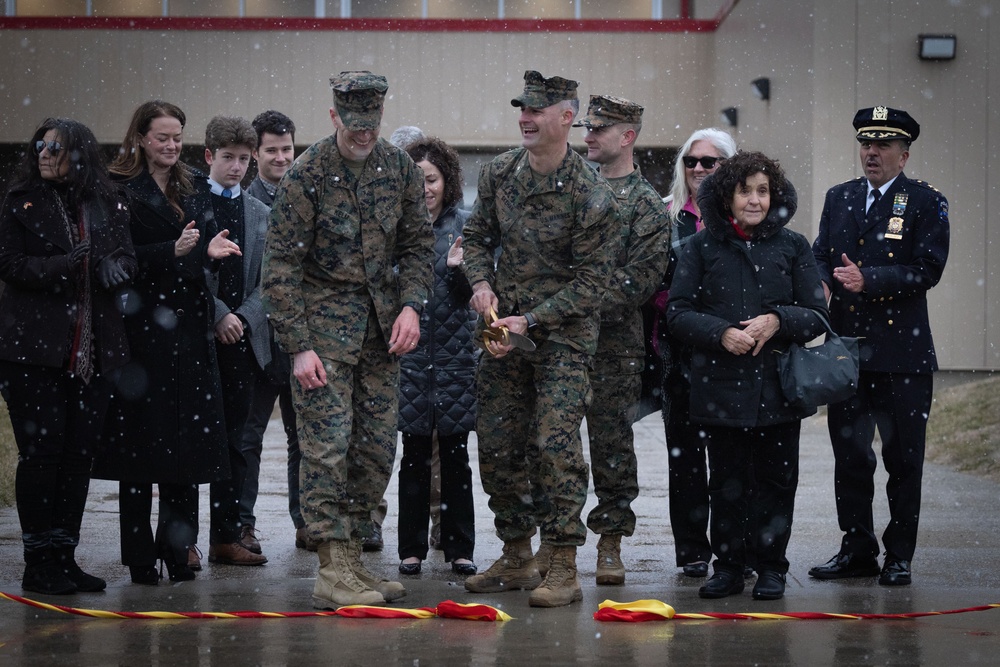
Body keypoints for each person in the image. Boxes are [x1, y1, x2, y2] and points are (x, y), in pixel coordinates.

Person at [263, 71, 434, 608]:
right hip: (323, 337)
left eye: (372, 124)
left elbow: (417, 247)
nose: (364, 135)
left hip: (383, 336)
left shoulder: (398, 168)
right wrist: (298, 345)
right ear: (335, 115)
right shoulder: (307, 174)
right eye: (354, 125)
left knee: (376, 450)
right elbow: (281, 266)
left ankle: (355, 563)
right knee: (325, 449)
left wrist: (411, 305)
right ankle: (331, 568)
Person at [461, 70, 621, 608]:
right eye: (521, 110)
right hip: (501, 331)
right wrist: (481, 284)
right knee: (498, 443)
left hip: (564, 339)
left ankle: (562, 561)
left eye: (536, 111)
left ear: (567, 118)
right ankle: (516, 552)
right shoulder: (499, 173)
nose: (525, 119)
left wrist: (531, 320)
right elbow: (478, 236)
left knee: (554, 445)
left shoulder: (591, 193)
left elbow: (594, 283)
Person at [666, 151, 827, 601]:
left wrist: (778, 320)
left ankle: (771, 566)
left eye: (763, 191)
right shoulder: (700, 247)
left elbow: (817, 313)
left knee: (777, 482)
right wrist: (720, 334)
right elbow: (677, 314)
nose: (754, 200)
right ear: (728, 196)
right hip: (719, 387)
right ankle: (729, 567)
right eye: (745, 191)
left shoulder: (794, 246)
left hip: (779, 386)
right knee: (727, 483)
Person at [93, 100, 241, 585]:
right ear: (140, 138)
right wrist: (168, 252)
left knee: (187, 452)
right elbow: (112, 259)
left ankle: (179, 552)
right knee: (139, 454)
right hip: (141, 337)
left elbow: (196, 256)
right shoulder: (116, 189)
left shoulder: (193, 185)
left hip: (190, 339)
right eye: (162, 138)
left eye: (178, 137)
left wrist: (210, 256)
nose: (172, 146)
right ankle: (139, 557)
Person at [808, 106, 950, 587]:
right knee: (851, 458)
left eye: (884, 145)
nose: (872, 152)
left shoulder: (926, 202)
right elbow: (821, 255)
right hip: (847, 351)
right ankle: (857, 548)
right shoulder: (840, 197)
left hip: (902, 355)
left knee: (903, 459)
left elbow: (927, 269)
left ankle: (899, 555)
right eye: (866, 143)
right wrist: (822, 283)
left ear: (903, 155)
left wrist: (870, 280)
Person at [0, 117, 137, 595]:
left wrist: (116, 266)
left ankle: (65, 556)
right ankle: (38, 563)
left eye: (55, 146)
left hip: (95, 351)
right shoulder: (20, 202)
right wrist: (65, 265)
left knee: (79, 457)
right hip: (34, 353)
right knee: (42, 456)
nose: (44, 151)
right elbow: (9, 264)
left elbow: (127, 254)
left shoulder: (107, 201)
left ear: (78, 154)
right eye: (40, 143)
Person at [570, 95, 670, 585]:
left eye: (599, 128)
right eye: (587, 126)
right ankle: (557, 543)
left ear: (627, 137)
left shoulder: (648, 206)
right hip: (561, 344)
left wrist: (567, 301)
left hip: (613, 347)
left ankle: (610, 542)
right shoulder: (569, 189)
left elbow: (639, 283)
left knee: (611, 446)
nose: (587, 135)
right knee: (555, 447)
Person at [644, 128, 738, 578]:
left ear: (729, 167)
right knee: (683, 460)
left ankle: (732, 550)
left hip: (732, 356)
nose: (698, 169)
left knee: (730, 462)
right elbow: (649, 286)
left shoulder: (746, 216)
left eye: (710, 162)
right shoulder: (665, 217)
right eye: (691, 161)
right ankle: (692, 552)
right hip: (677, 355)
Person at [396, 137, 478, 577]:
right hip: (407, 359)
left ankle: (459, 547)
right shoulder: (395, 227)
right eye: (418, 179)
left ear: (447, 182)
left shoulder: (465, 224)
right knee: (411, 457)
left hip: (454, 360)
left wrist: (460, 270)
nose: (425, 187)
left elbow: (479, 293)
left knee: (455, 457)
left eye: (432, 179)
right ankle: (410, 549)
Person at [240, 110, 312, 553]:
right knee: (248, 438)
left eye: (287, 149)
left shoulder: (307, 197)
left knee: (303, 437)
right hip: (258, 340)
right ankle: (242, 526)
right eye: (272, 150)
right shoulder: (244, 206)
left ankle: (306, 522)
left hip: (303, 339)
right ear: (256, 154)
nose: (282, 157)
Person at [201, 115, 271, 567]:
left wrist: (241, 318)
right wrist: (218, 314)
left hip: (243, 345)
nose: (237, 167)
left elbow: (272, 280)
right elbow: (181, 275)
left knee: (237, 442)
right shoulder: (189, 206)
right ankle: (182, 539)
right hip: (197, 342)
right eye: (228, 157)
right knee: (190, 440)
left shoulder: (262, 215)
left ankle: (227, 535)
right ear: (209, 156)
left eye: (244, 159)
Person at [363, 124, 428, 555]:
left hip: (418, 343)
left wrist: (411, 306)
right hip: (371, 342)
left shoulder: (423, 217)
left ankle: (437, 527)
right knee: (369, 442)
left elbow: (419, 252)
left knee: (419, 450)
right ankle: (367, 520)